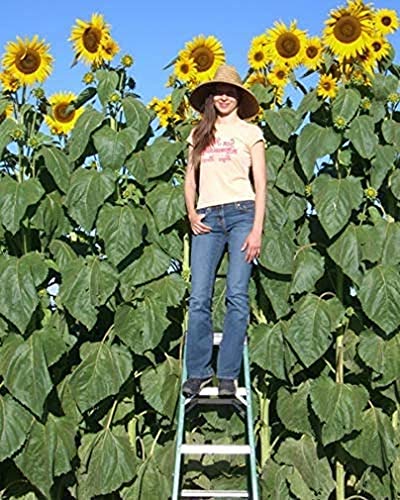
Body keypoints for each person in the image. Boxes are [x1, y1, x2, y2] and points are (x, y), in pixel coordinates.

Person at [182, 64, 267, 397]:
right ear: (210, 97)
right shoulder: (199, 133)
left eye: (230, 92)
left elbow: (260, 184)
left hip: (242, 215)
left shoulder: (250, 133)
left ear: (238, 97)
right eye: (218, 91)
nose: (224, 96)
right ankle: (199, 372)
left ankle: (228, 374)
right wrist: (191, 212)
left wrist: (257, 229)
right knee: (199, 297)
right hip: (206, 218)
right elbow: (190, 178)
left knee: (236, 294)